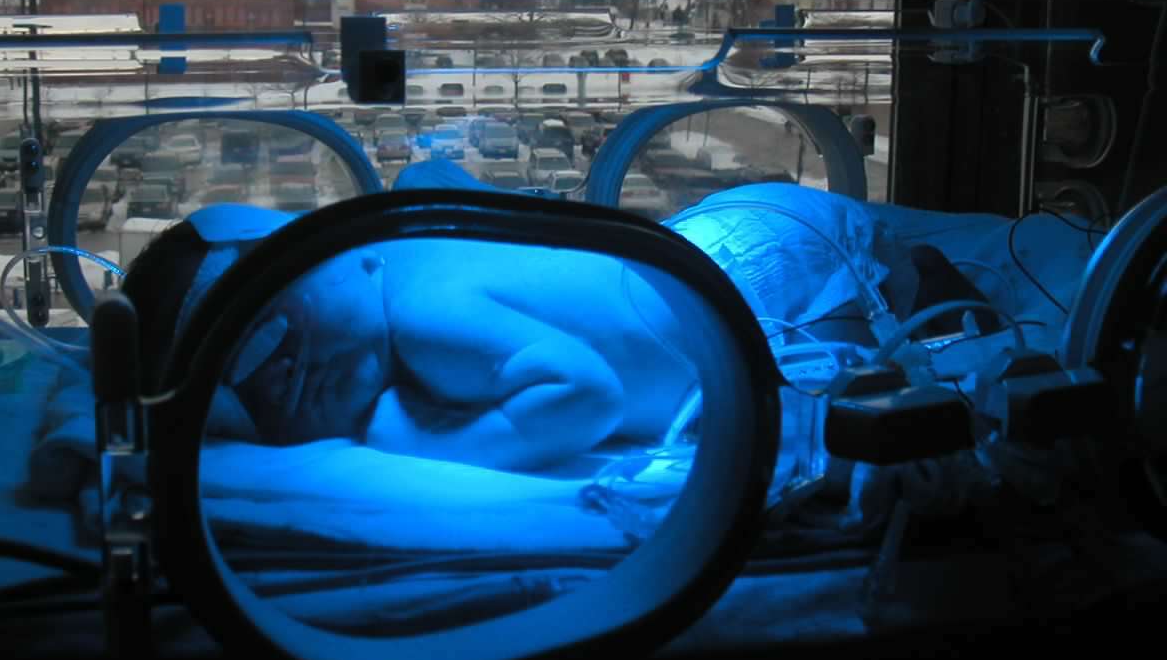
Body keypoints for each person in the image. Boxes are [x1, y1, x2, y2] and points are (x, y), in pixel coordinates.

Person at [120, 163, 1087, 473]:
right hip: (727, 233)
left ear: (338, 248)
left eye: (276, 326)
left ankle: (969, 287)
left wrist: (418, 442)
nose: (285, 375)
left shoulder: (422, 311)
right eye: (248, 399)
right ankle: (958, 270)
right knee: (944, 266)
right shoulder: (410, 259)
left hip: (752, 276)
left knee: (885, 338)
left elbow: (582, 396)